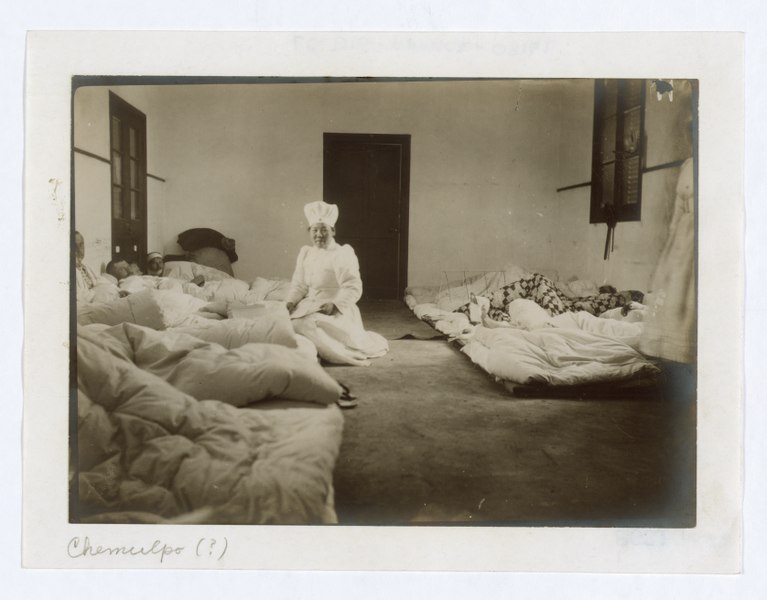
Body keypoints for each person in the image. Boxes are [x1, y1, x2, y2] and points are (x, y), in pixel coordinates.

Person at [285, 200, 389, 370]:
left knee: (299, 325)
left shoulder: (342, 253)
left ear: (333, 230)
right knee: (283, 321)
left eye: (324, 229)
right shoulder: (306, 253)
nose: (319, 234)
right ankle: (313, 351)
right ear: (309, 231)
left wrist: (335, 305)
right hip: (310, 306)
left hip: (336, 311)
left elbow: (353, 286)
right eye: (315, 230)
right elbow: (299, 285)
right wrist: (290, 302)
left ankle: (339, 355)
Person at [74, 230, 105, 302]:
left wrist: (117, 291)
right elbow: (77, 295)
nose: (79, 250)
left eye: (81, 245)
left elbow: (101, 281)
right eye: (74, 246)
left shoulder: (87, 267)